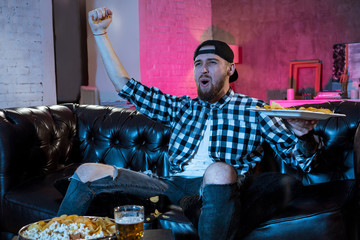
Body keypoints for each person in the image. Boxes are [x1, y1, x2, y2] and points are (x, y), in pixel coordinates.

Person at [58, 7, 319, 240]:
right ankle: (52, 235)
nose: (203, 69)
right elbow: (127, 87)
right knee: (87, 171)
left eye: (212, 63)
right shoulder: (182, 106)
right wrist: (100, 35)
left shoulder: (255, 109)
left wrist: (304, 136)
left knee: (218, 169)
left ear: (230, 69)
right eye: (198, 64)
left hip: (214, 188)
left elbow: (302, 161)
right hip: (169, 184)